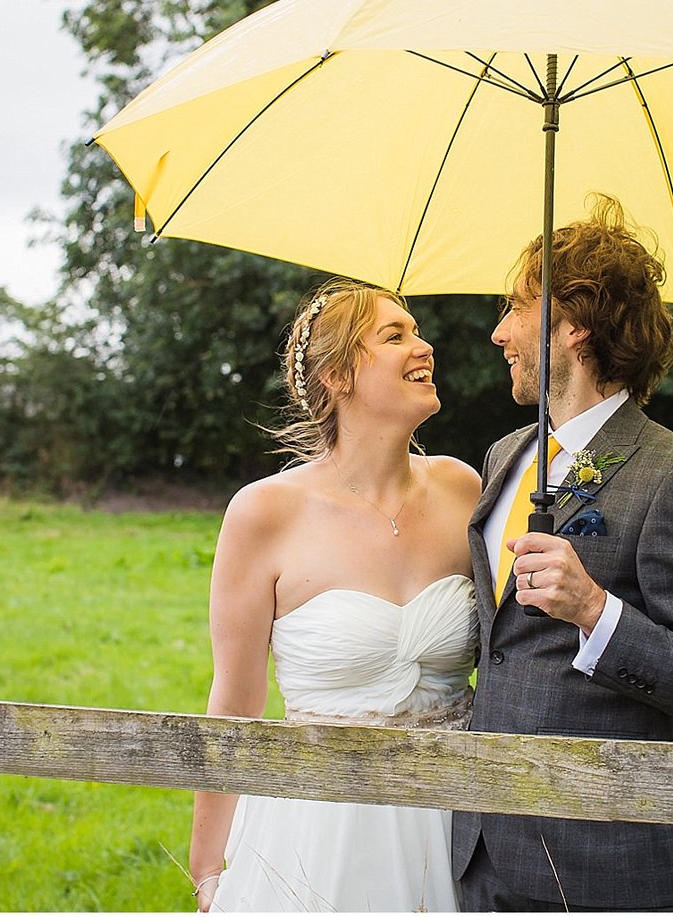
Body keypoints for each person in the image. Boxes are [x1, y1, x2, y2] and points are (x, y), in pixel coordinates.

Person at [451, 194, 673, 912]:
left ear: (573, 324)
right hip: (480, 848)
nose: (499, 333)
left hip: (604, 866)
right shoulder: (505, 455)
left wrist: (595, 609)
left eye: (516, 308)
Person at [192, 278, 483, 913]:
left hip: (458, 818)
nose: (424, 346)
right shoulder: (264, 513)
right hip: (321, 824)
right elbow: (236, 702)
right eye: (395, 336)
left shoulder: (464, 490)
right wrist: (208, 864)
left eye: (417, 331)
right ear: (337, 376)